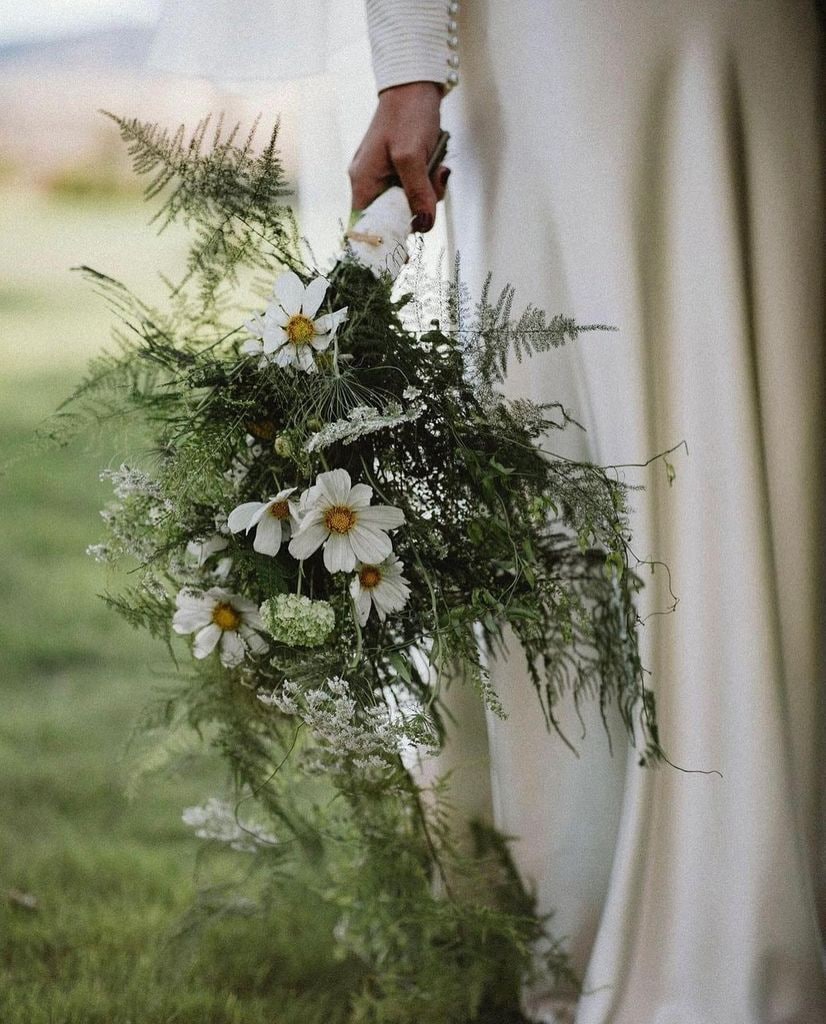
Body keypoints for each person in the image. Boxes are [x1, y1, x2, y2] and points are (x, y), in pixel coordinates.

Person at [152, 2, 826, 1020]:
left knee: (764, 397)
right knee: (577, 440)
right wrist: (411, 67)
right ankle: (632, 906)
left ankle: (748, 889)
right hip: (576, 36)